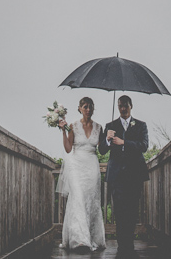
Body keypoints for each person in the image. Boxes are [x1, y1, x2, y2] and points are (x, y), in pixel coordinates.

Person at [98, 95, 149, 256]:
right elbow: (102, 151)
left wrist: (124, 143)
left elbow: (144, 146)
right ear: (118, 107)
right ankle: (122, 244)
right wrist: (107, 139)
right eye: (120, 105)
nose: (122, 108)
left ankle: (129, 242)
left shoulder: (141, 125)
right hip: (117, 176)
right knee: (119, 210)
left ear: (131, 106)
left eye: (125, 105)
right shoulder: (110, 126)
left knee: (132, 210)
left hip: (134, 175)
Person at [57, 96, 106, 252]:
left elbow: (103, 148)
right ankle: (79, 239)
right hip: (77, 167)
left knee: (92, 201)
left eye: (91, 106)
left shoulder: (99, 127)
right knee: (77, 198)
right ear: (79, 108)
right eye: (85, 106)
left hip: (92, 166)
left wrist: (109, 139)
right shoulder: (73, 126)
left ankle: (93, 238)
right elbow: (68, 149)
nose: (88, 109)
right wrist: (63, 132)